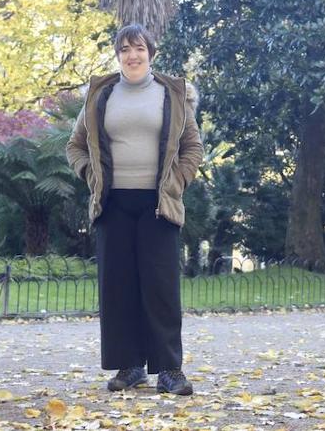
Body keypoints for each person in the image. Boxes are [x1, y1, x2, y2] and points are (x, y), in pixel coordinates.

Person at [66, 24, 203, 395]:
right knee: (119, 289)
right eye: (125, 48)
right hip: (113, 204)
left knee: (161, 289)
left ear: (151, 53)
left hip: (158, 205)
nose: (132, 55)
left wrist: (178, 181)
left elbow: (193, 147)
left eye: (139, 47)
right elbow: (75, 146)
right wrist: (91, 175)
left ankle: (170, 370)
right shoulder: (101, 96)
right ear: (118, 55)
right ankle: (130, 368)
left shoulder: (171, 95)